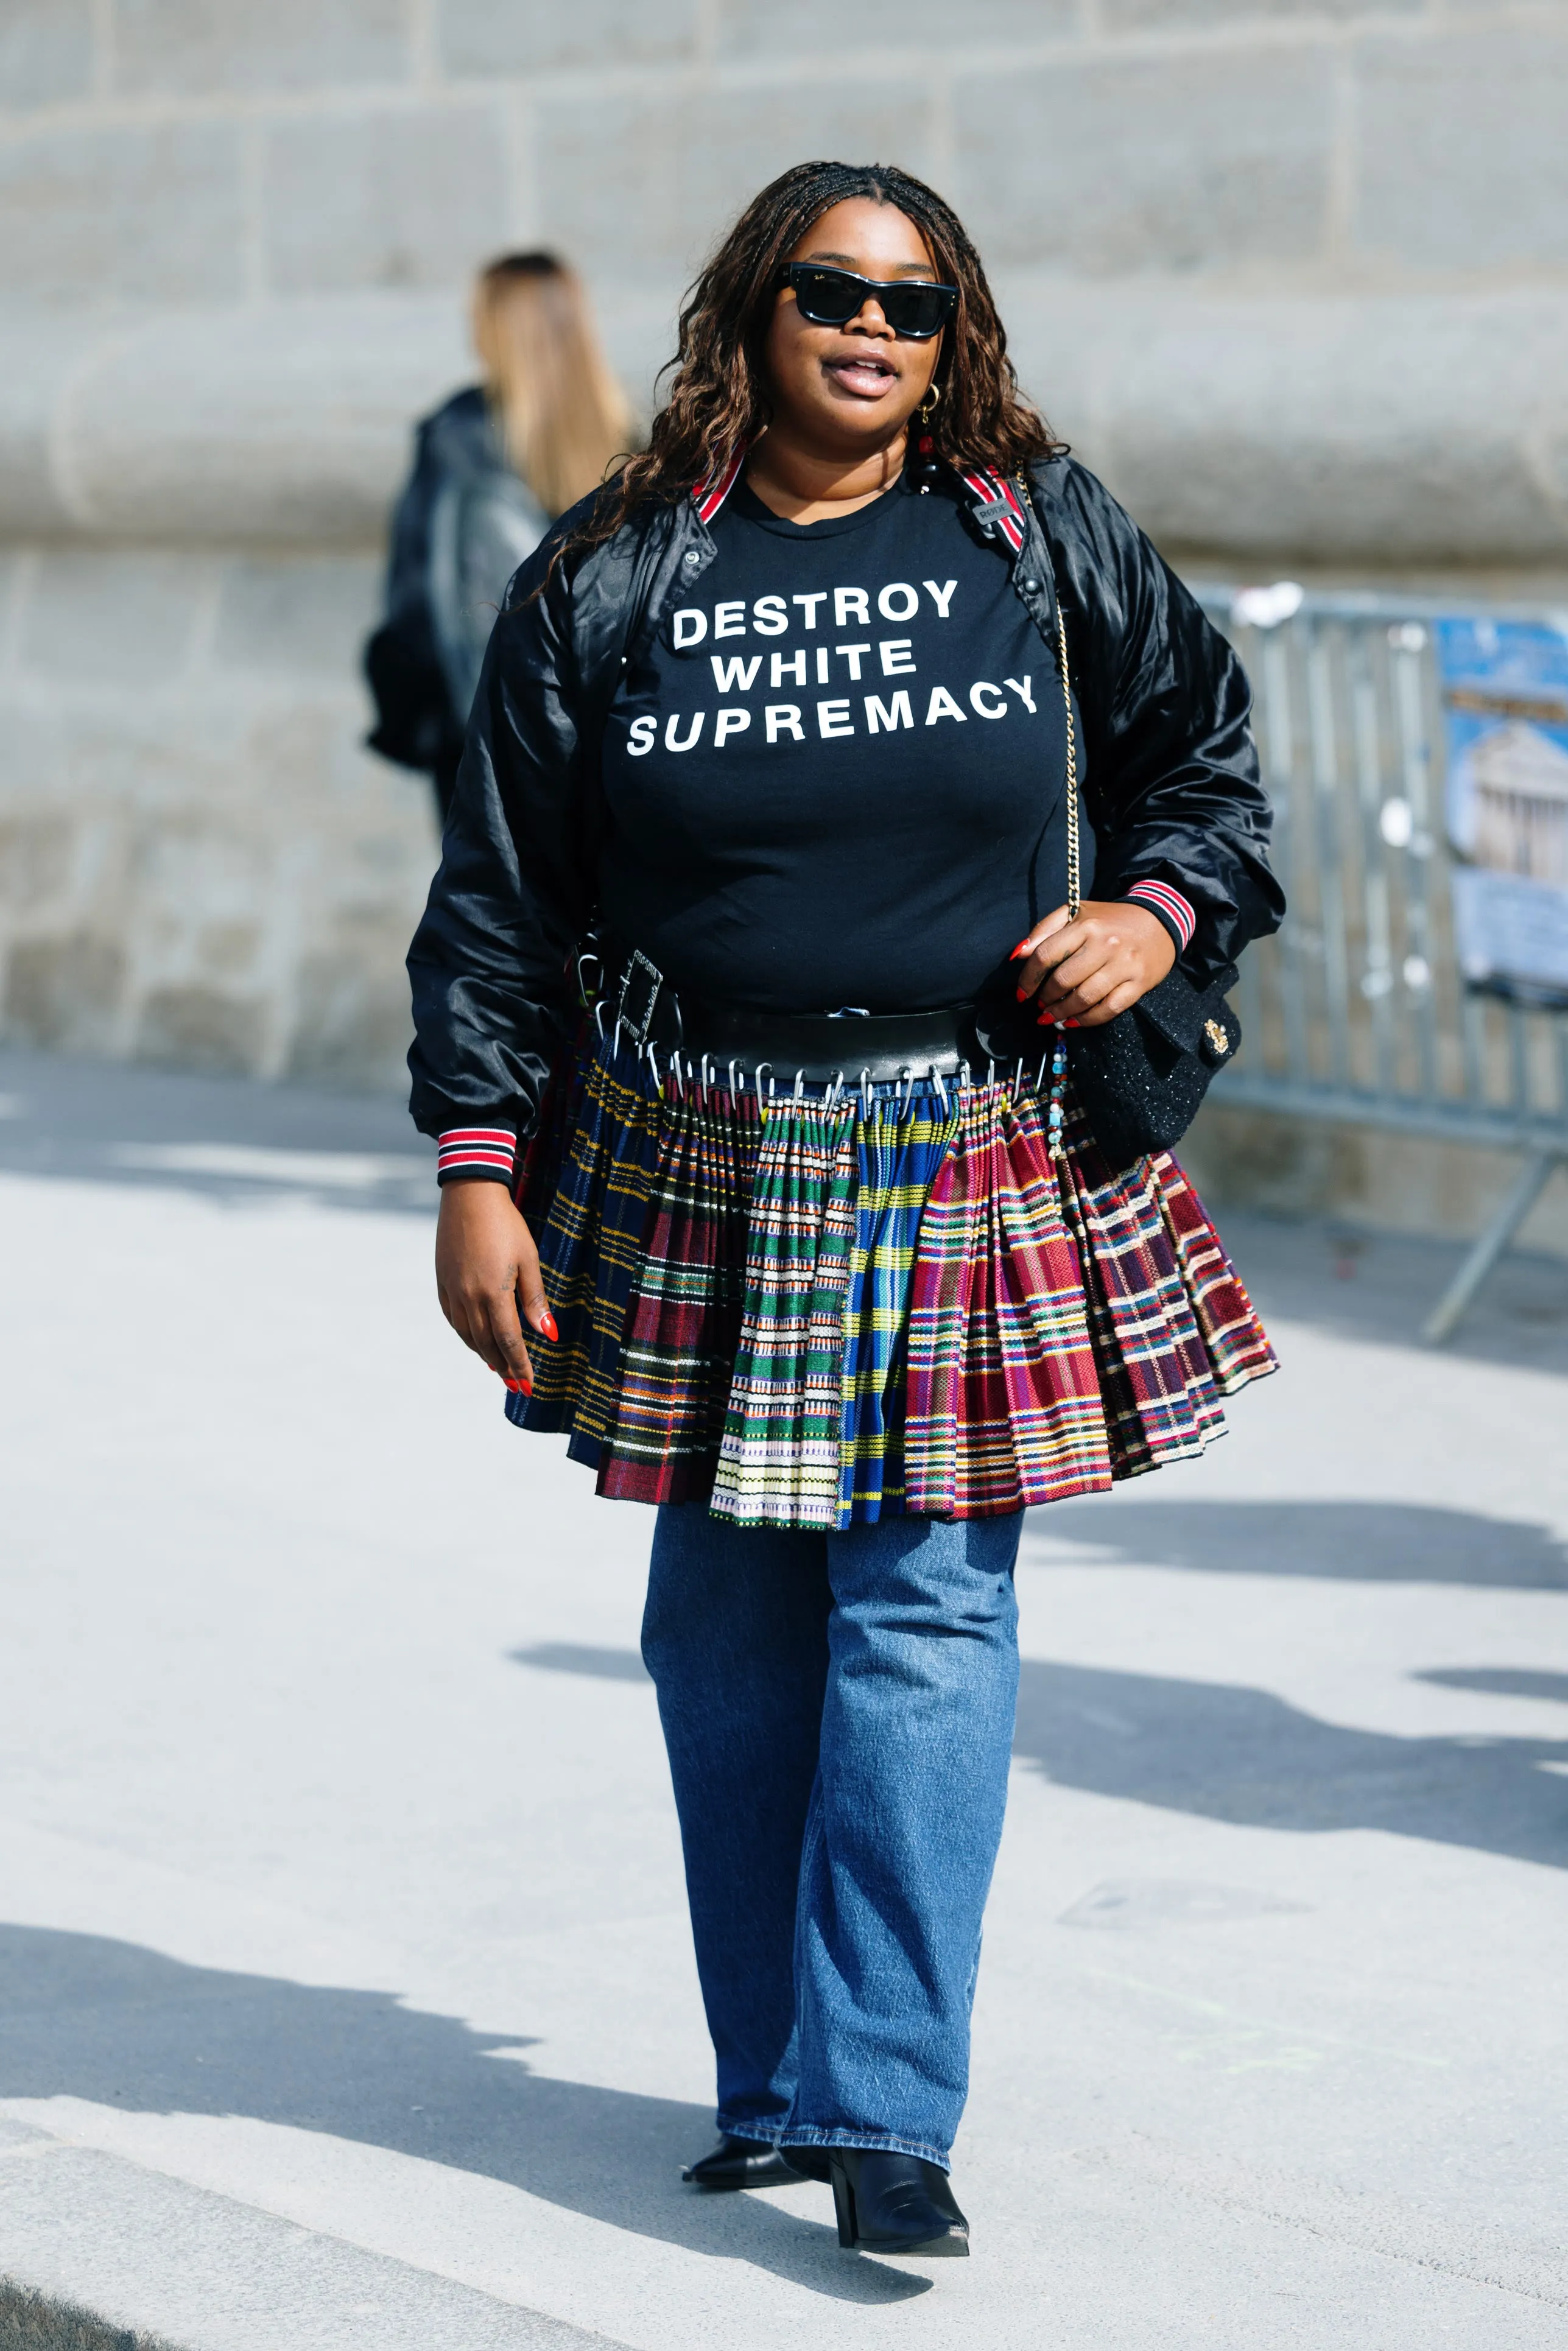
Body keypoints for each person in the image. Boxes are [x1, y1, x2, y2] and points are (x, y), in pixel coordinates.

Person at [406, 161, 1284, 2260]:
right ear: (755, 307)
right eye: (828, 289)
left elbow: (1212, 770)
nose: (868, 326)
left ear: (951, 324)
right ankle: (771, 2078)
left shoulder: (1034, 529)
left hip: (963, 1140)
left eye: (910, 297)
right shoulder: (617, 568)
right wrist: (472, 1169)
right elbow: (501, 899)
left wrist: (1150, 918)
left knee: (925, 1611)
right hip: (693, 1142)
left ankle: (886, 2108)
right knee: (724, 1629)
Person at [365, 251, 633, 821]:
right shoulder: (623, 438)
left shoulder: (457, 437)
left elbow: (418, 595)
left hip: (488, 736)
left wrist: (407, 708)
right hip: (604, 735)